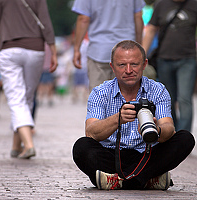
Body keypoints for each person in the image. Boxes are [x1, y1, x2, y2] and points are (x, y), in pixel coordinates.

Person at [72, 40, 195, 190]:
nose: (129, 70)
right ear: (112, 67)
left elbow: (169, 128)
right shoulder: (100, 92)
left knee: (185, 138)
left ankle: (116, 180)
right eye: (122, 65)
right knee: (81, 147)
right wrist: (117, 119)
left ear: (144, 65)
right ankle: (146, 179)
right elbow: (91, 132)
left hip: (147, 154)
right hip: (112, 155)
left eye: (134, 64)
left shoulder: (158, 90)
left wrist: (157, 130)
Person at [0, 0, 58, 159]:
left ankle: (29, 145)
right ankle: (16, 146)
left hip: (9, 48)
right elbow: (45, 21)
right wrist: (52, 49)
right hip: (35, 49)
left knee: (16, 99)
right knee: (27, 97)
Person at [142, 0, 197, 132]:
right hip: (163, 59)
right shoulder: (161, 4)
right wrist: (141, 54)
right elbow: (151, 30)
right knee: (167, 99)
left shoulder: (194, 4)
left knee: (184, 99)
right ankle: (171, 134)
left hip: (187, 60)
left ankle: (183, 138)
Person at [71, 0, 145, 92]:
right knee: (127, 96)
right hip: (127, 51)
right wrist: (138, 47)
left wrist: (76, 48)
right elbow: (138, 16)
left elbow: (83, 18)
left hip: (99, 50)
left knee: (99, 97)